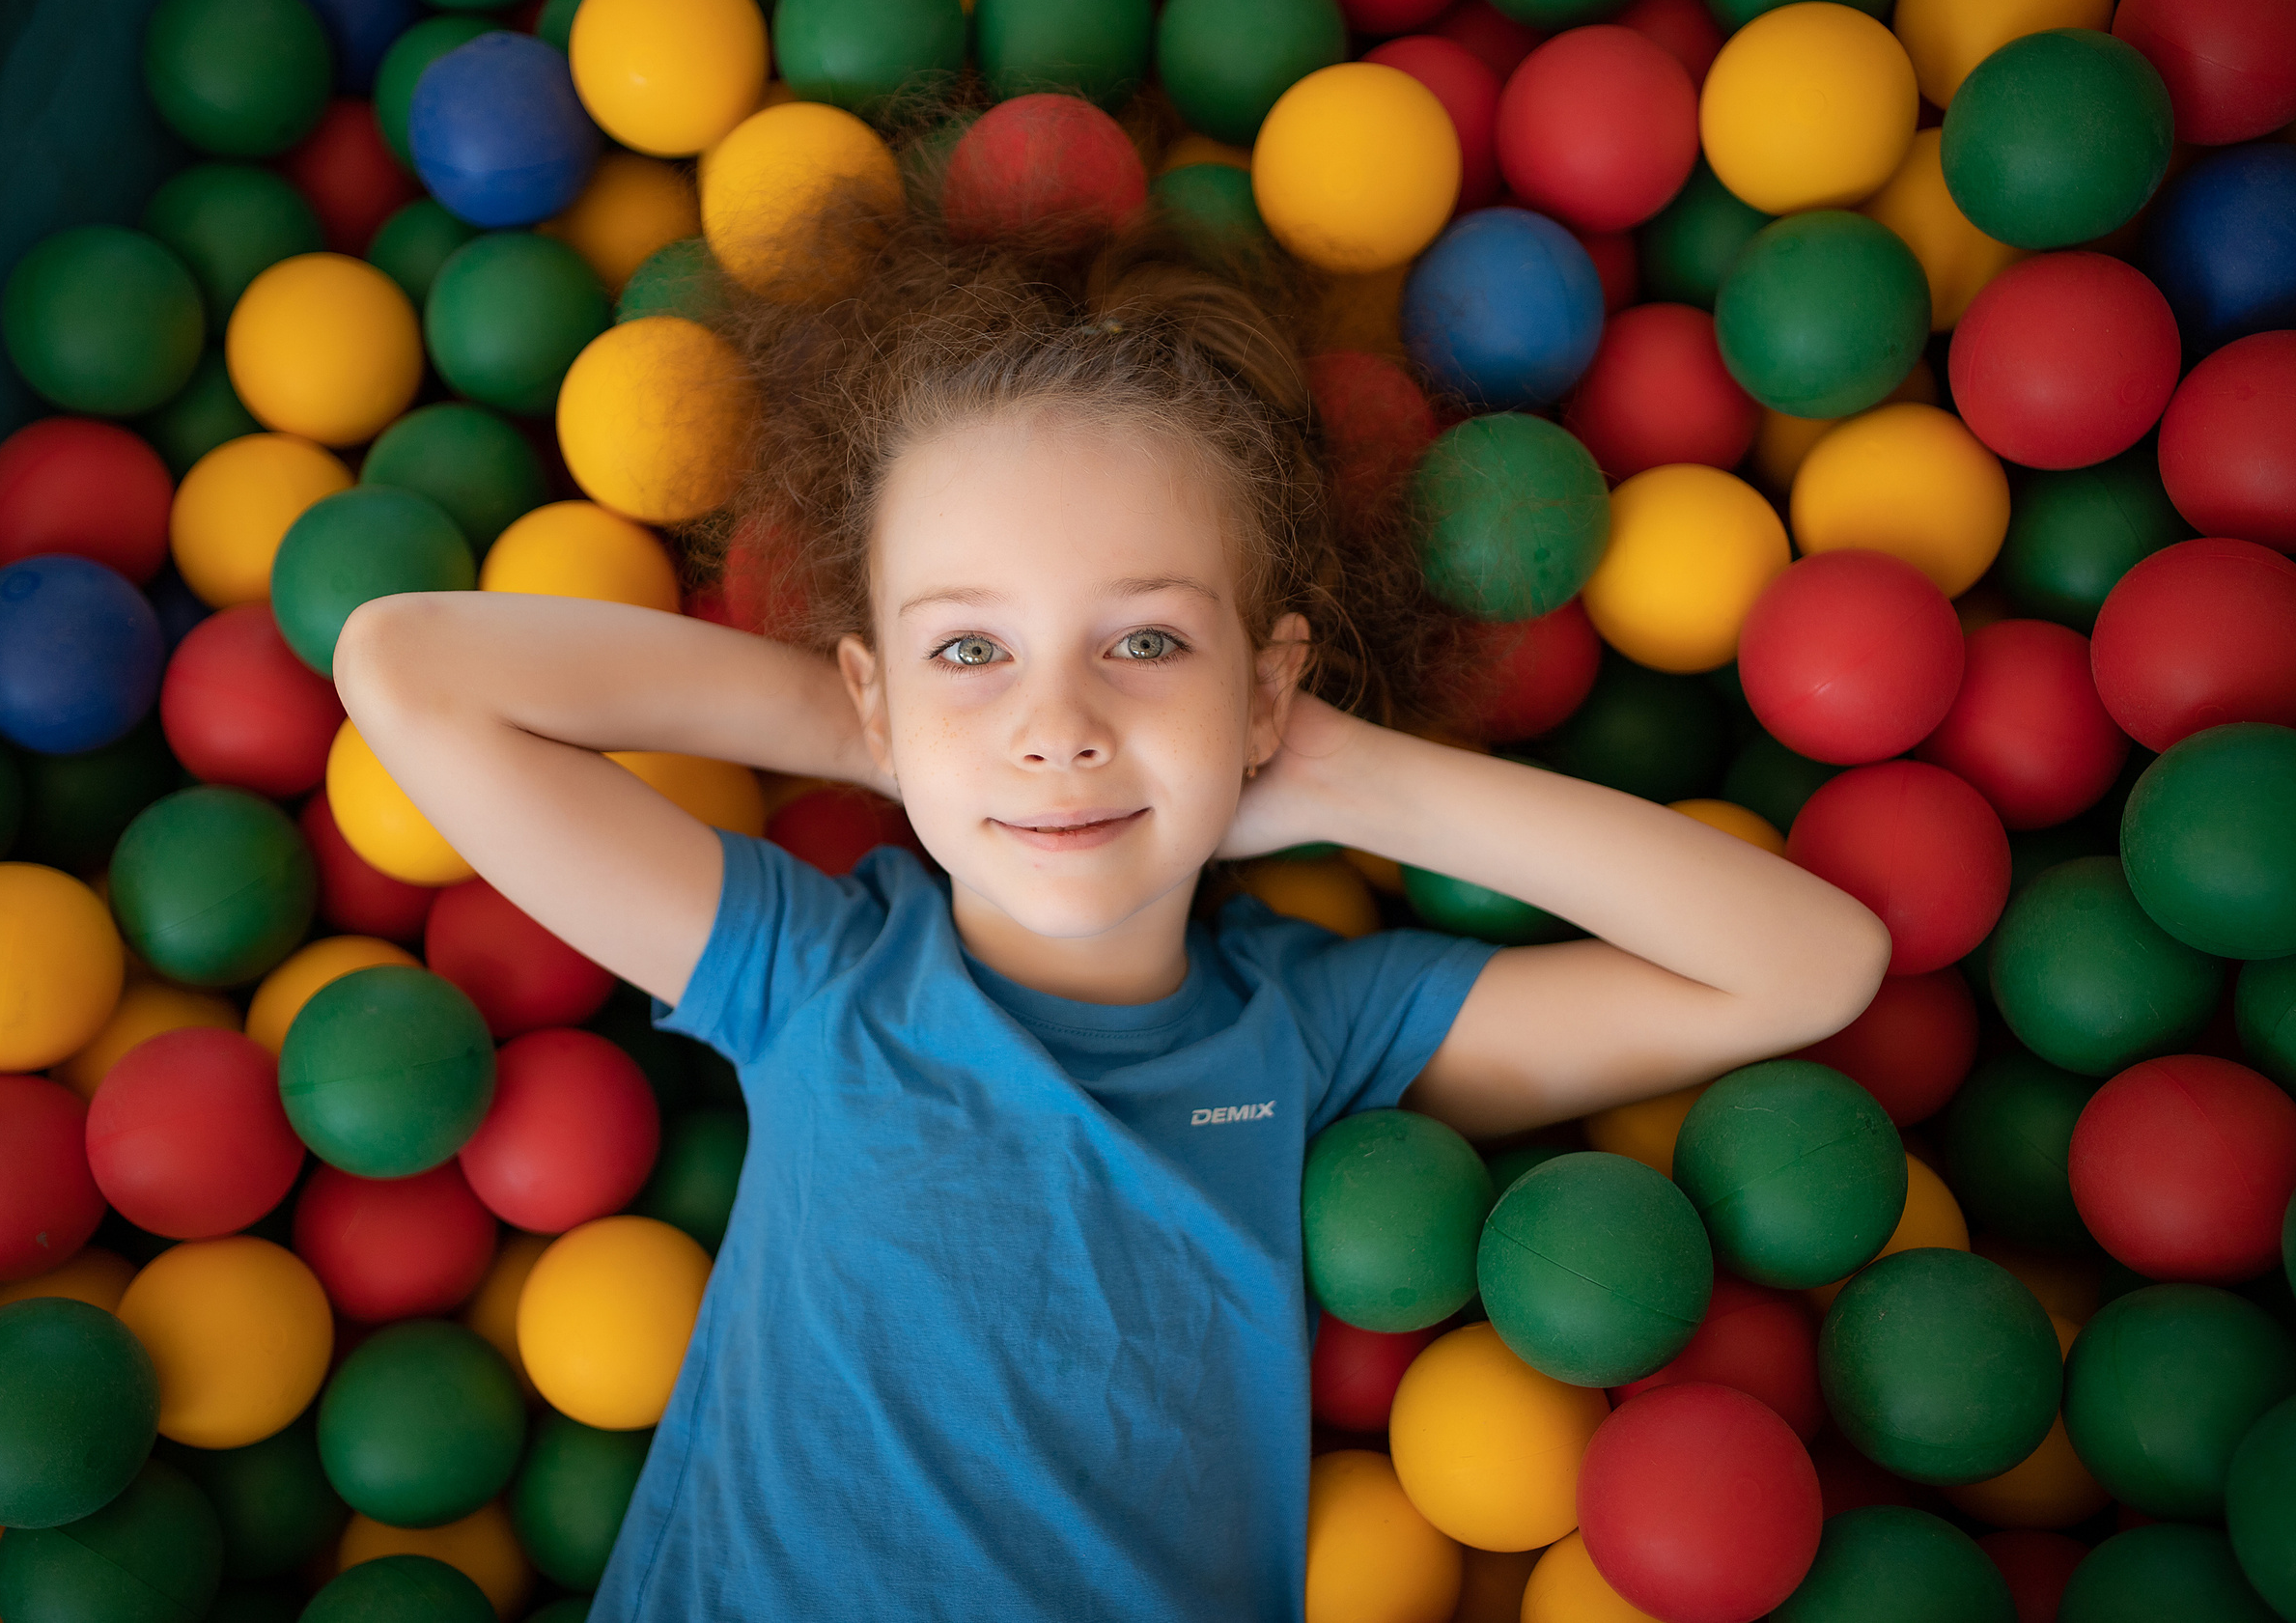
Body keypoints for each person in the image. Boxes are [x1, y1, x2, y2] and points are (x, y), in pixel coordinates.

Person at [333, 183, 1890, 1621]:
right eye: (971, 649)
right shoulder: (820, 976)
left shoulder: (1311, 1032)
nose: (1056, 723)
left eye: (1144, 644)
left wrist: (1356, 776)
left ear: (1266, 682)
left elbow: (1807, 965)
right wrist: (868, 733)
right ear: (874, 693)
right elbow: (407, 670)